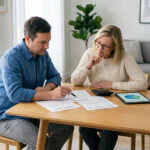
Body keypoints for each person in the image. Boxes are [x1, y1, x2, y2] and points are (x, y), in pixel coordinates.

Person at [0, 16, 74, 150]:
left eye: (48, 41)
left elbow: (55, 76)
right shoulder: (11, 58)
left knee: (66, 128)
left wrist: (47, 88)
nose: (47, 46)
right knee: (41, 142)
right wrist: (51, 95)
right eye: (42, 42)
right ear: (28, 39)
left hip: (34, 111)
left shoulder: (43, 54)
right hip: (8, 116)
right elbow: (15, 94)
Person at [71, 25, 148, 150]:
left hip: (117, 111)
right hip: (95, 108)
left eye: (106, 46)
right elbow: (75, 81)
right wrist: (89, 65)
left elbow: (142, 83)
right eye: (98, 43)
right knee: (84, 129)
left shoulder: (124, 57)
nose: (100, 49)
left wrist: (111, 84)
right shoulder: (89, 53)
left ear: (114, 47)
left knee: (109, 130)